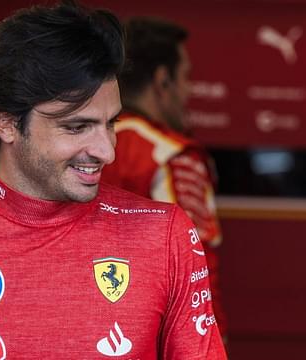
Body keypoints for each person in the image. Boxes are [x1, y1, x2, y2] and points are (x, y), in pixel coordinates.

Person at [0, 2, 226, 359]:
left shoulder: (166, 236)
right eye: (77, 127)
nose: (106, 151)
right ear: (6, 122)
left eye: (109, 123)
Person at [101, 17, 227, 337]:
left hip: (86, 325)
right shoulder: (170, 154)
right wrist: (212, 338)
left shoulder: (78, 144)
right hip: (153, 332)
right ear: (162, 80)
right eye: (185, 77)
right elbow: (197, 261)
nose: (189, 90)